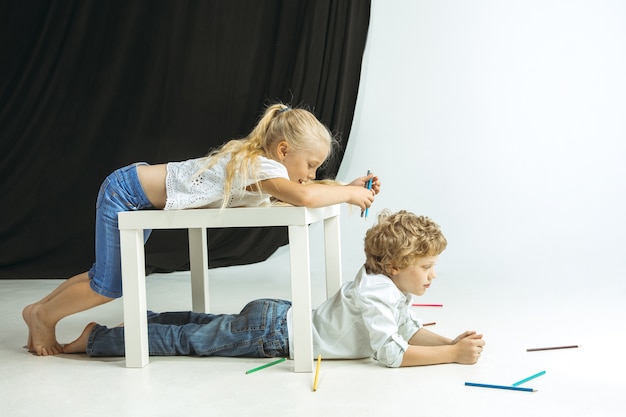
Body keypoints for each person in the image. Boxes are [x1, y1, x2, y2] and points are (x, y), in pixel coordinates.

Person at [23, 103, 381, 356]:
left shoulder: (264, 169)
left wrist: (345, 187)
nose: (312, 174)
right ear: (283, 150)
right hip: (127, 192)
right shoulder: (261, 166)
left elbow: (302, 193)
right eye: (311, 165)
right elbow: (302, 195)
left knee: (102, 276)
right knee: (110, 285)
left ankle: (38, 310)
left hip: (135, 190)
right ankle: (43, 317)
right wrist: (348, 193)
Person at [63, 210, 485, 368]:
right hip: (275, 334)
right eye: (426, 266)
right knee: (188, 339)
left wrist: (449, 340)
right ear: (395, 265)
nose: (432, 276)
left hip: (278, 317)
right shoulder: (378, 292)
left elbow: (407, 329)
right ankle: (99, 339)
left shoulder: (388, 285)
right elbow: (390, 353)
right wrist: (450, 356)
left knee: (203, 324)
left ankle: (142, 322)